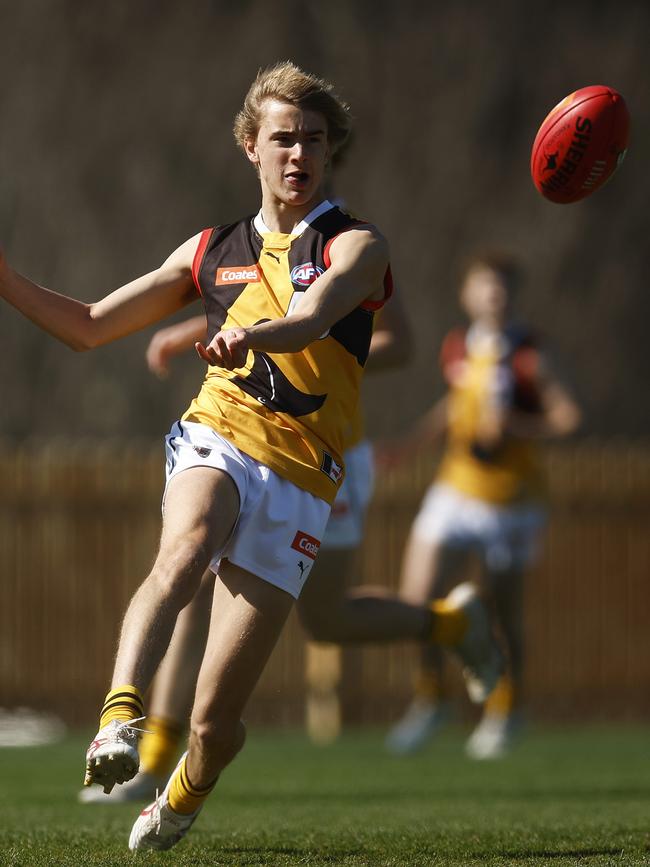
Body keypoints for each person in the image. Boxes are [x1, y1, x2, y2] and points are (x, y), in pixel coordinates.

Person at [0, 62, 500, 851]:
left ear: (330, 151)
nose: (297, 155)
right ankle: (118, 719)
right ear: (249, 146)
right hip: (220, 434)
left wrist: (248, 334)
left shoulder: (358, 245)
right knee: (185, 549)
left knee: (216, 719)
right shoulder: (211, 249)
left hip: (304, 481)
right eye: (281, 140)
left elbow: (311, 317)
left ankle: (188, 787)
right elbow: (89, 323)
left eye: (312, 141)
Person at [382, 251, 581, 759]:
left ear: (513, 294)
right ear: (466, 294)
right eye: (484, 286)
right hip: (455, 488)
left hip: (511, 501)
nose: (494, 295)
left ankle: (506, 710)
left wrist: (518, 427)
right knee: (416, 599)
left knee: (502, 612)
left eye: (503, 287)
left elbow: (566, 417)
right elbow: (454, 405)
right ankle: (433, 699)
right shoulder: (458, 347)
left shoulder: (530, 353)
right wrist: (408, 446)